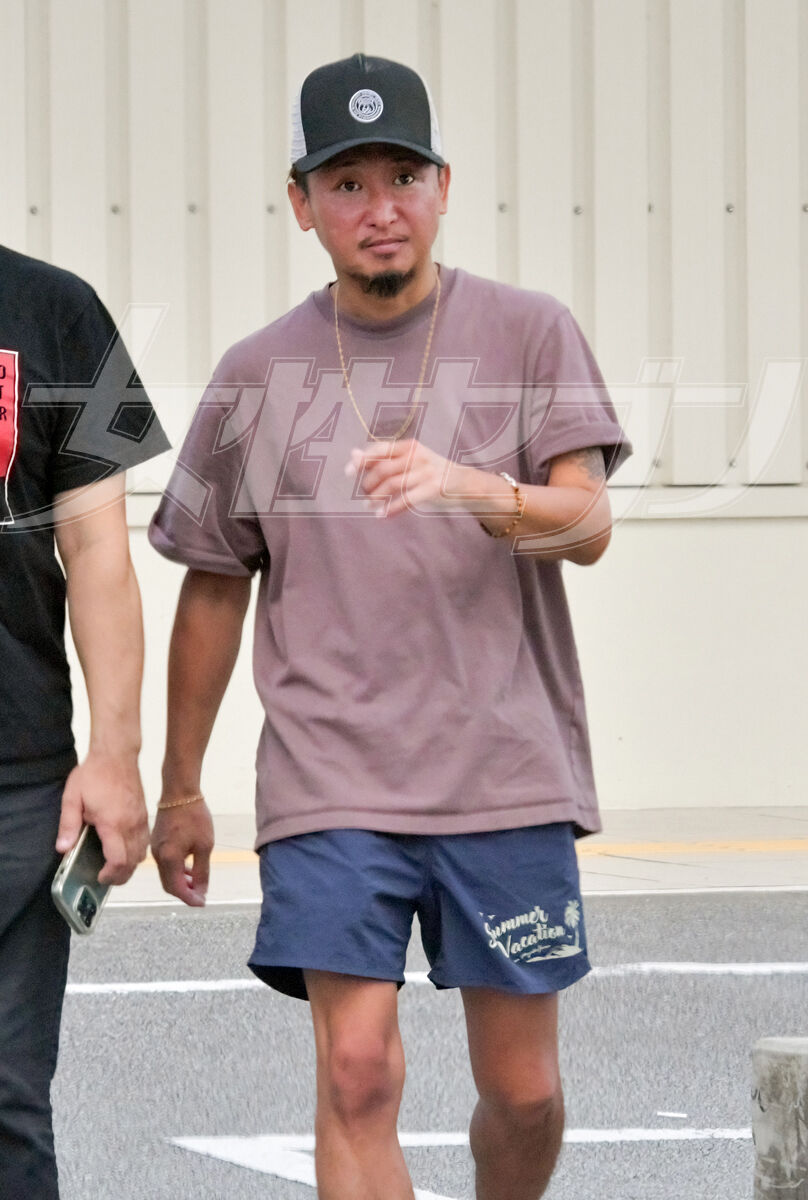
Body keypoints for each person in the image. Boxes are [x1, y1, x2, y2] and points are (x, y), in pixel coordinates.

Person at [149, 52, 631, 1200]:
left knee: (524, 1091)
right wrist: (178, 787)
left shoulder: (528, 333)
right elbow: (212, 585)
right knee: (356, 1074)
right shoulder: (256, 375)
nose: (381, 208)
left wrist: (471, 487)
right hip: (331, 778)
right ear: (301, 203)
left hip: (503, 773)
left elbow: (588, 524)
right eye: (348, 183)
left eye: (403, 177)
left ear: (444, 186)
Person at [0, 244, 169, 1197]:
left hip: (16, 781)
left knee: (8, 1102)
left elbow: (99, 550)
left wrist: (116, 753)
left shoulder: (58, 311)